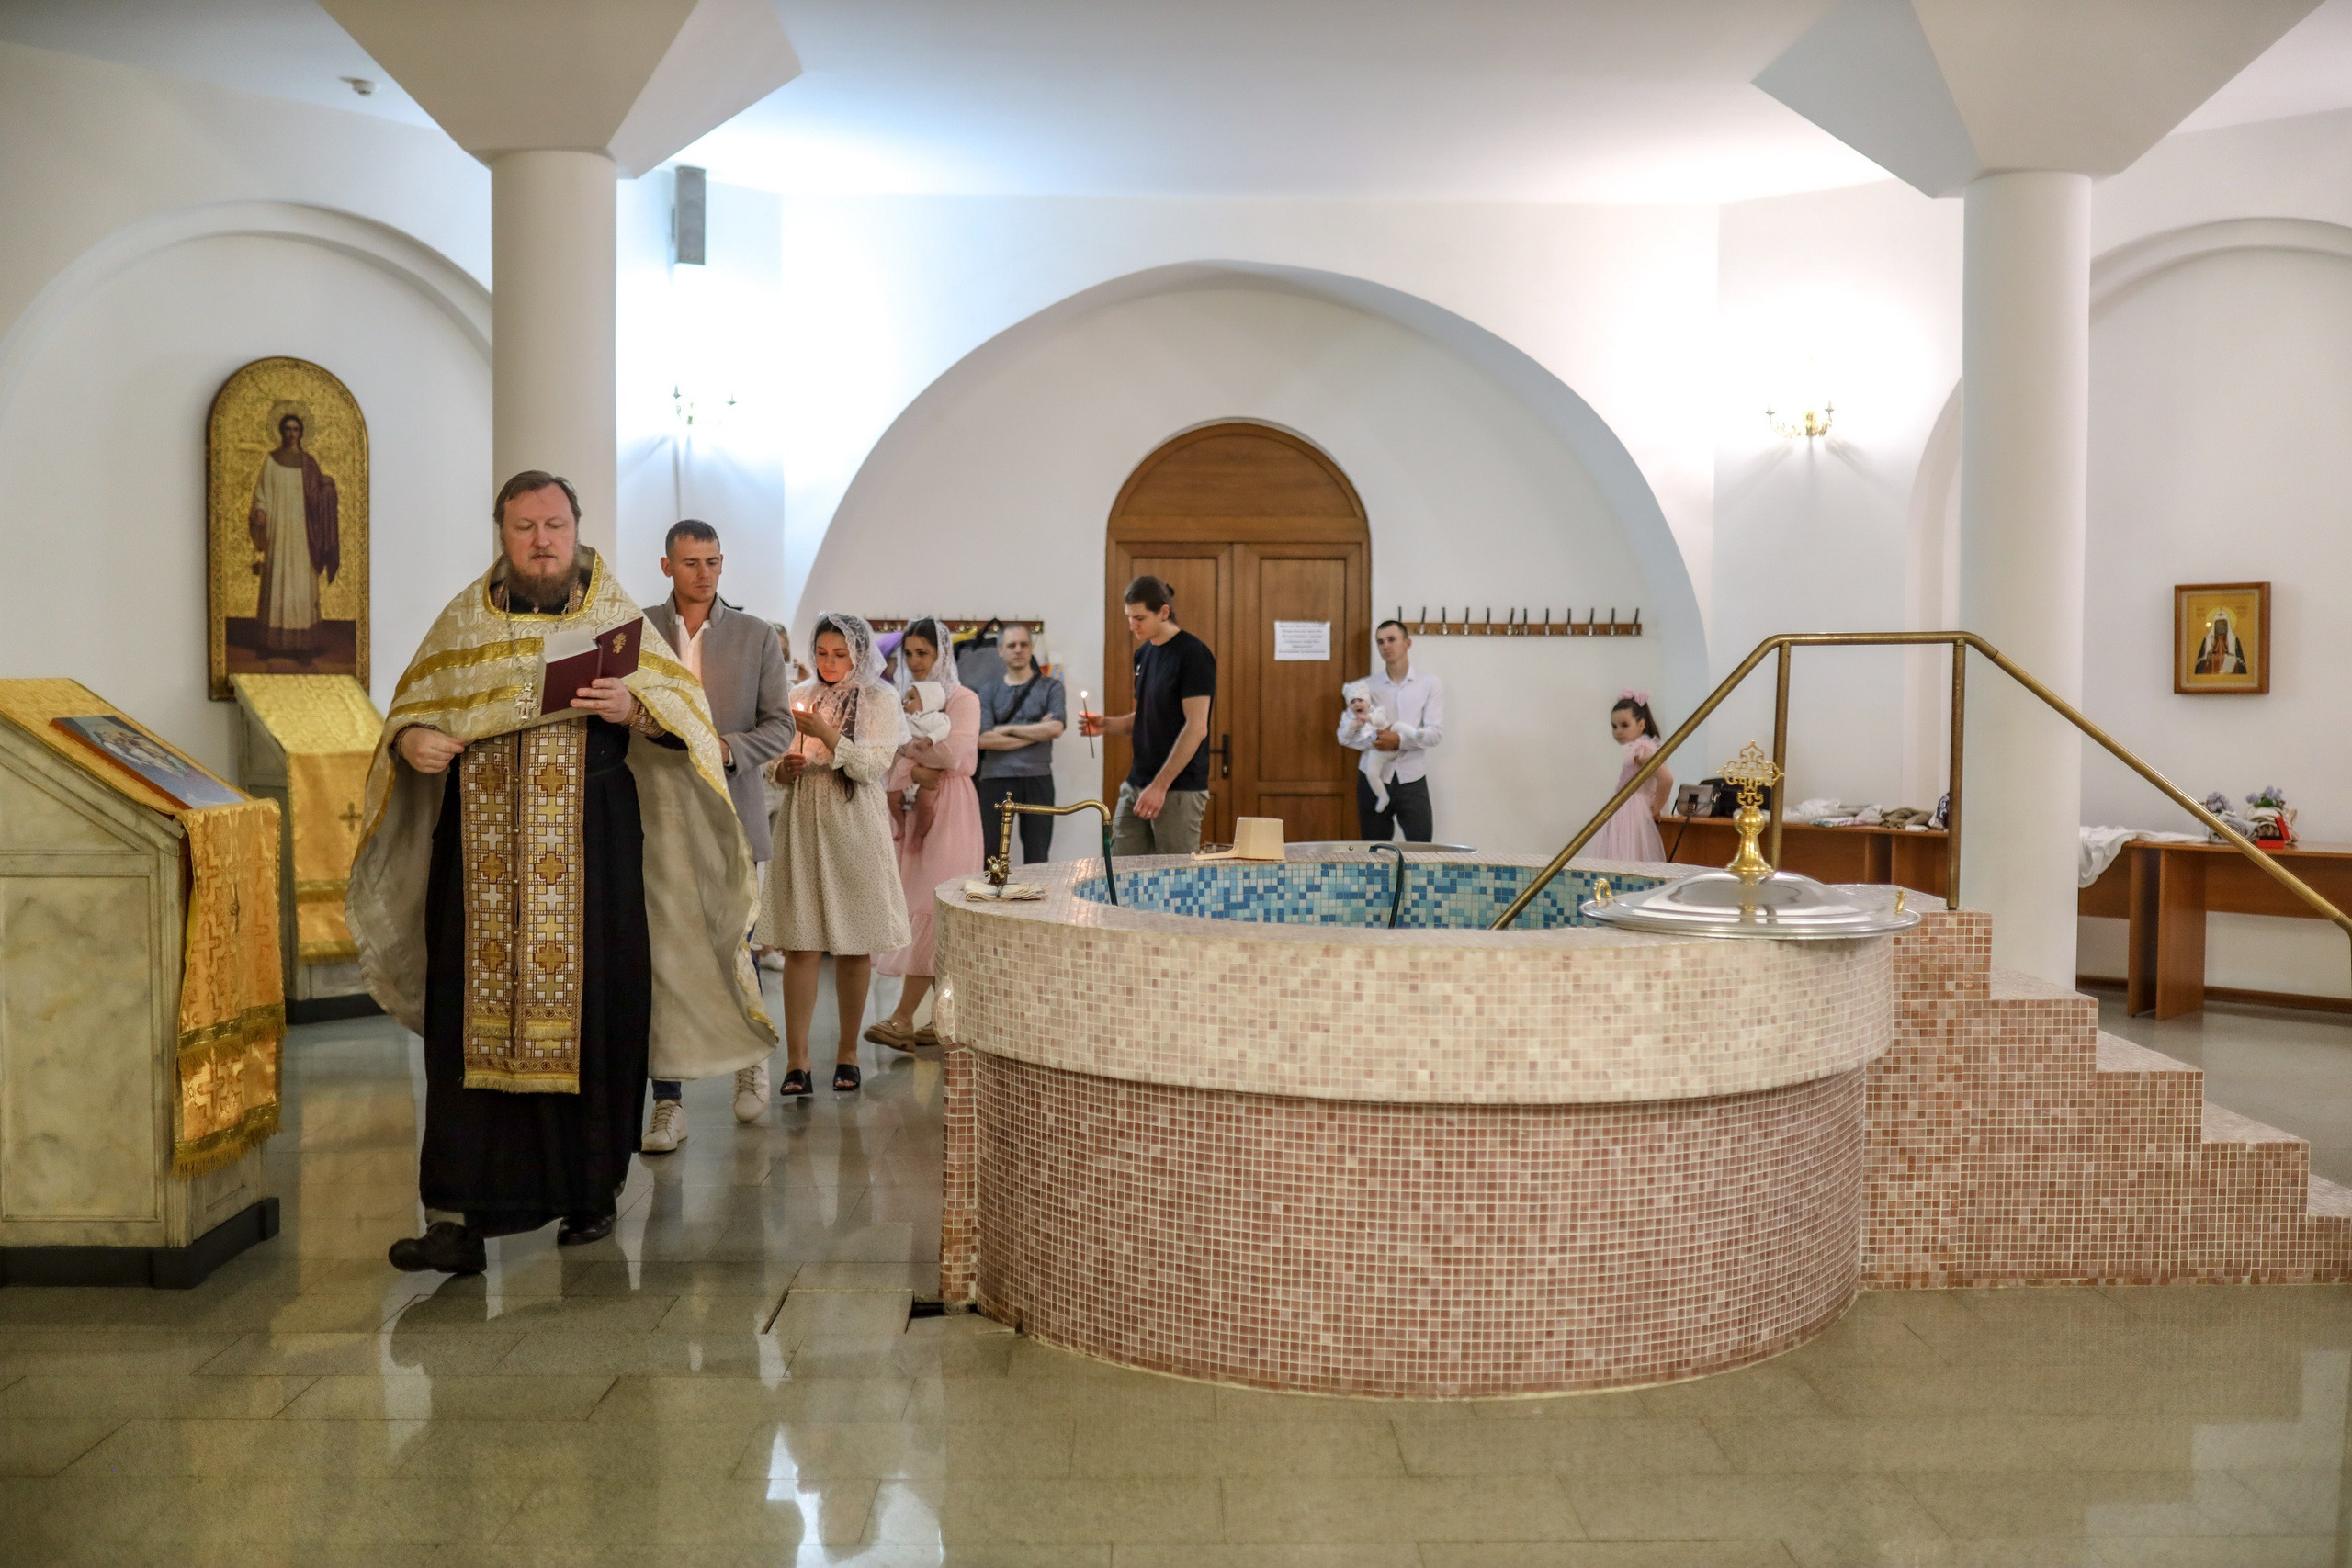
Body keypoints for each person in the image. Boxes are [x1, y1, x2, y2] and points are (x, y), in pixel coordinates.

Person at [348, 470, 773, 1275]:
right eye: (523, 527)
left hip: (592, 848)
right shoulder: (463, 621)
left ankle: (589, 1193)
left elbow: (680, 716)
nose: (540, 539)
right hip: (477, 855)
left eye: (553, 523)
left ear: (576, 529)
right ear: (502, 535)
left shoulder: (615, 620)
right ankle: (456, 1218)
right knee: (464, 1024)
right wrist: (411, 744)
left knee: (595, 1014)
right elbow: (412, 707)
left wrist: (632, 710)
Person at [639, 520, 796, 1150]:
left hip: (731, 810)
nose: (704, 573)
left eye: (713, 561)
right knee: (663, 961)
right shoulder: (637, 631)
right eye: (691, 562)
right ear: (666, 565)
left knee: (736, 947)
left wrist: (722, 748)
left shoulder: (755, 636)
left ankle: (751, 1063)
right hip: (655, 813)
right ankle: (667, 1103)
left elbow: (780, 726)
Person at [763, 612, 910, 1096]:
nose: (828, 663)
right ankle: (797, 1061)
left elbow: (872, 766)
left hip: (854, 822)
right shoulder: (802, 695)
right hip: (804, 818)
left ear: (860, 654)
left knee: (853, 943)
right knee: (801, 943)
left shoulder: (880, 698)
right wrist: (784, 770)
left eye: (839, 654)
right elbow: (772, 768)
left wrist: (828, 736)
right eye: (822, 653)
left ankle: (848, 1053)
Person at [868, 617, 984, 1051]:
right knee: (921, 905)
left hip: (952, 808)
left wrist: (912, 761)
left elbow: (957, 752)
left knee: (936, 907)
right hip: (915, 806)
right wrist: (914, 769)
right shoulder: (904, 699)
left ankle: (902, 1019)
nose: (916, 663)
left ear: (942, 656)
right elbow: (890, 753)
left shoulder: (963, 698)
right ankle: (944, 1021)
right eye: (910, 654)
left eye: (924, 654)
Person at [1079, 575, 1215, 855]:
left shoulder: (1193, 654)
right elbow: (1146, 717)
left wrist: (1160, 786)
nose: (1132, 626)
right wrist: (1106, 725)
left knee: (1174, 879)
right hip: (1137, 782)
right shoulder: (1143, 655)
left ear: (1163, 612)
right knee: (1119, 870)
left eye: (1139, 618)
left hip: (1177, 788)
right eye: (1129, 617)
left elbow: (1196, 727)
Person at [1338, 619, 1444, 842]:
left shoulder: (1429, 684)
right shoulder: (1364, 687)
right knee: (1374, 854)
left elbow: (1434, 733)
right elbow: (1348, 735)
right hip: (1373, 778)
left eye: (1392, 640)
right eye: (1380, 642)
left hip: (1412, 778)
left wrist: (1398, 741)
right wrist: (1376, 739)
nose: (1386, 646)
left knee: (1422, 852)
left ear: (1407, 643)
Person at [249, 407, 340, 661]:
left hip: (303, 533)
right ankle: (270, 642)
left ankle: (303, 646)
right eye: (287, 429)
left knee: (300, 582)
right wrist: (260, 510)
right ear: (281, 432)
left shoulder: (308, 463)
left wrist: (328, 489)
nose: (291, 434)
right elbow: (262, 493)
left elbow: (318, 495)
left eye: (295, 429)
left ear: (301, 433)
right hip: (278, 531)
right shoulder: (271, 461)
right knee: (276, 578)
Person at [976, 622, 1067, 865]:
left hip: (1037, 778)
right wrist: (1036, 731)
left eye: (1024, 644)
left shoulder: (1052, 687)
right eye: (1012, 645)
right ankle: (990, 902)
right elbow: (984, 739)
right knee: (991, 856)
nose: (1018, 650)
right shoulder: (988, 691)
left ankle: (1034, 904)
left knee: (1037, 857)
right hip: (995, 779)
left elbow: (1056, 728)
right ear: (1000, 650)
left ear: (1031, 648)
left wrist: (1008, 729)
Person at [1589, 689, 1675, 863]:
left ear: (1641, 725)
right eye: (1615, 726)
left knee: (1627, 856)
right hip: (1626, 809)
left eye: (1624, 725)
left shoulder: (1639, 751)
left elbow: (1666, 779)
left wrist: (1655, 809)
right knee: (1622, 854)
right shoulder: (1636, 751)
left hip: (1632, 810)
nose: (1618, 731)